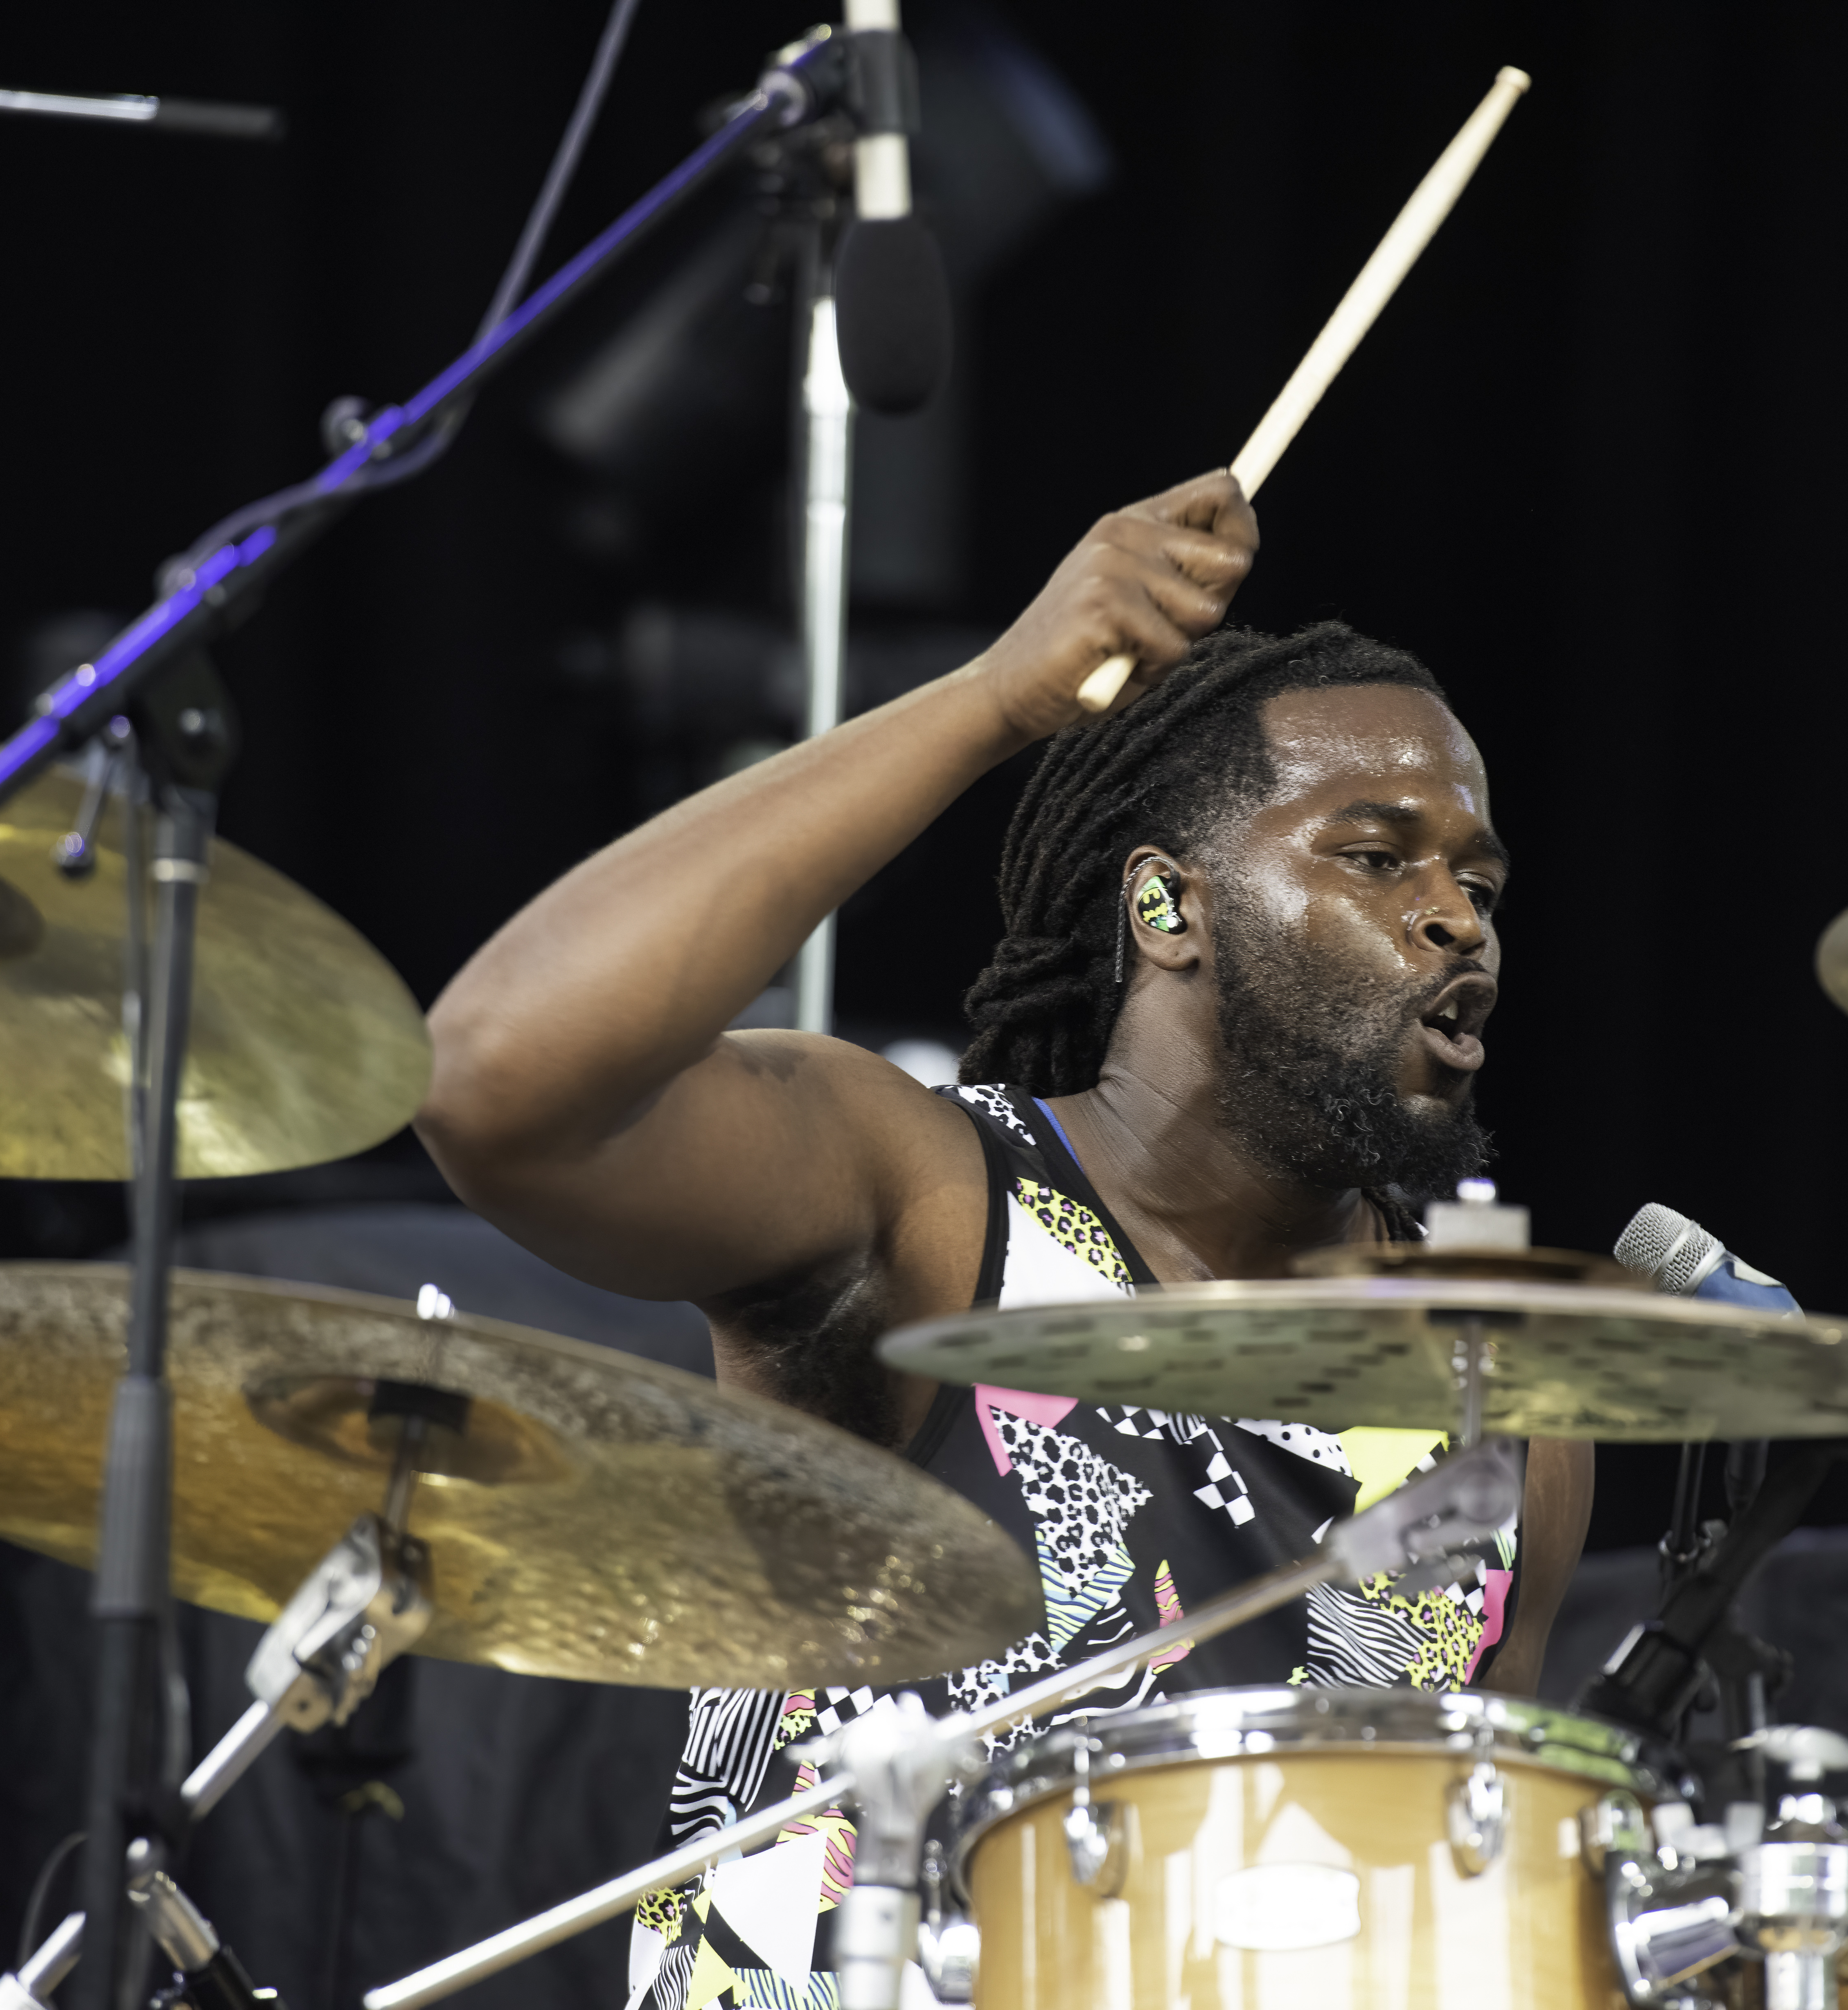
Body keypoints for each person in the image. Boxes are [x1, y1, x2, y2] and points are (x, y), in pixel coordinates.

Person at [417, 469, 1592, 2008]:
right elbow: (498, 1079)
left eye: (1481, 879)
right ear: (1168, 908)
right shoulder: (927, 1197)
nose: (1460, 917)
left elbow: (1471, 1909)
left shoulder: (1510, 1410)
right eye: (1376, 856)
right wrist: (989, 702)